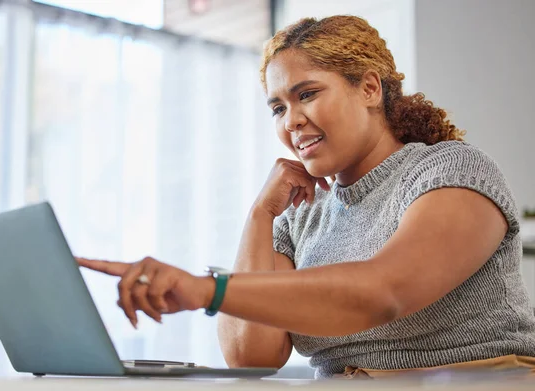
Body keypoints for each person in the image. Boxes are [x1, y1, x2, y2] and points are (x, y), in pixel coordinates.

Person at [77, 15, 535, 379]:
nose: (290, 121)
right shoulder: (297, 218)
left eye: (307, 94)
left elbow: (384, 292)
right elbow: (251, 356)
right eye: (278, 107)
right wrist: (260, 215)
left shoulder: (451, 169)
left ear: (370, 88)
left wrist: (204, 290)